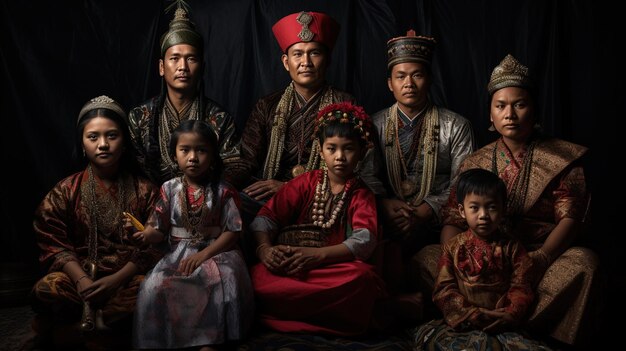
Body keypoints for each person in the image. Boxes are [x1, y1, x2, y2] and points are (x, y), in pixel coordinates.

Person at [418, 54, 599, 347]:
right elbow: (453, 218)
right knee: (426, 257)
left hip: (536, 256)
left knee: (584, 263)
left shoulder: (563, 159)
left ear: (535, 111)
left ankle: (520, 323)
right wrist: (454, 256)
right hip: (477, 259)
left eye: (520, 104)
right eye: (500, 106)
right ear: (491, 115)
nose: (510, 114)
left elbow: (571, 218)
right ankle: (474, 312)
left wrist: (540, 259)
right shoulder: (475, 161)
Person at [31, 96, 161, 349]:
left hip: (126, 280)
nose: (103, 144)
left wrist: (117, 279)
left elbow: (157, 244)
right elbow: (52, 241)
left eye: (111, 136)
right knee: (47, 289)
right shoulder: (66, 190)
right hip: (81, 280)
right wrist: (82, 282)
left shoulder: (146, 190)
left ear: (124, 142)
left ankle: (85, 328)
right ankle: (100, 327)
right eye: (93, 137)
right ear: (82, 144)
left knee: (153, 290)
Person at [249, 102, 388, 336]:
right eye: (332, 148)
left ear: (362, 152)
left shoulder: (361, 194)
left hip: (332, 268)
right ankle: (327, 317)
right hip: (295, 265)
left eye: (349, 149)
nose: (340, 157)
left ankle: (291, 316)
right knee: (255, 278)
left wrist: (317, 256)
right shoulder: (304, 183)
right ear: (321, 150)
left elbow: (364, 241)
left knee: (362, 278)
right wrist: (264, 249)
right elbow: (266, 219)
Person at [363, 30, 475, 293]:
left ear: (430, 80)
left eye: (417, 75)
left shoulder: (456, 125)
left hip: (439, 221)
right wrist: (384, 204)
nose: (409, 83)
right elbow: (365, 175)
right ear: (390, 83)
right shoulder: (373, 124)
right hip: (389, 218)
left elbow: (464, 183)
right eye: (400, 76)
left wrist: (426, 210)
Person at [133, 120, 254, 350]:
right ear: (174, 154)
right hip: (177, 252)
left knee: (220, 279)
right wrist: (147, 235)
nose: (193, 157)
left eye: (201, 150)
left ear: (213, 155)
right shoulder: (169, 188)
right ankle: (165, 339)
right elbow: (159, 229)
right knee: (155, 284)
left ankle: (209, 340)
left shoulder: (223, 190)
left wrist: (203, 255)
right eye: (185, 150)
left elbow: (233, 232)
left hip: (217, 251)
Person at [231, 11, 354, 215]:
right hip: (271, 196)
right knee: (234, 205)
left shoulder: (345, 104)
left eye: (314, 53)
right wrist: (220, 186)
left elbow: (357, 164)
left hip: (324, 193)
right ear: (286, 62)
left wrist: (290, 186)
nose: (306, 62)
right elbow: (246, 159)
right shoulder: (268, 105)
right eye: (298, 54)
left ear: (328, 60)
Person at [414, 168, 551, 350]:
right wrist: (469, 314)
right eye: (474, 208)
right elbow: (444, 288)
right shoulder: (452, 247)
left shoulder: (513, 248)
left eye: (492, 207)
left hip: (503, 321)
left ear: (503, 210)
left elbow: (521, 285)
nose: (484, 215)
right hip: (464, 321)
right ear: (462, 211)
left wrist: (511, 313)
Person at [127, 3, 241, 186]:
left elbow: (234, 167)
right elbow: (131, 171)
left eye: (191, 59)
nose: (183, 67)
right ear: (162, 67)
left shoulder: (219, 119)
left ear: (202, 68)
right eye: (174, 58)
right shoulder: (139, 117)